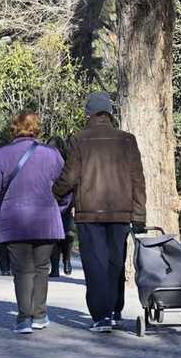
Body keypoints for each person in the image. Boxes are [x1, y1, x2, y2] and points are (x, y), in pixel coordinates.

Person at [53, 92, 146, 333]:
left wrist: (55, 193)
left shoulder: (79, 139)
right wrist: (139, 214)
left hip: (89, 212)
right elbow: (137, 179)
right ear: (110, 114)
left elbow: (70, 176)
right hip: (121, 212)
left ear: (88, 114)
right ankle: (115, 311)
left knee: (95, 263)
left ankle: (101, 316)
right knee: (116, 261)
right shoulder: (127, 140)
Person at [0, 112, 67, 334]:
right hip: (46, 218)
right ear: (36, 128)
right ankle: (39, 315)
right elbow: (65, 185)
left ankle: (23, 319)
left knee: (22, 270)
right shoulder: (52, 154)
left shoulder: (1, 154)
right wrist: (60, 208)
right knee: (42, 267)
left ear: (14, 128)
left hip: (14, 219)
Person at [47, 136, 75, 278]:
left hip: (58, 201)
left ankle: (59, 265)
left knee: (57, 236)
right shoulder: (67, 161)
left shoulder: (49, 160)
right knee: (65, 234)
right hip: (64, 201)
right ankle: (64, 262)